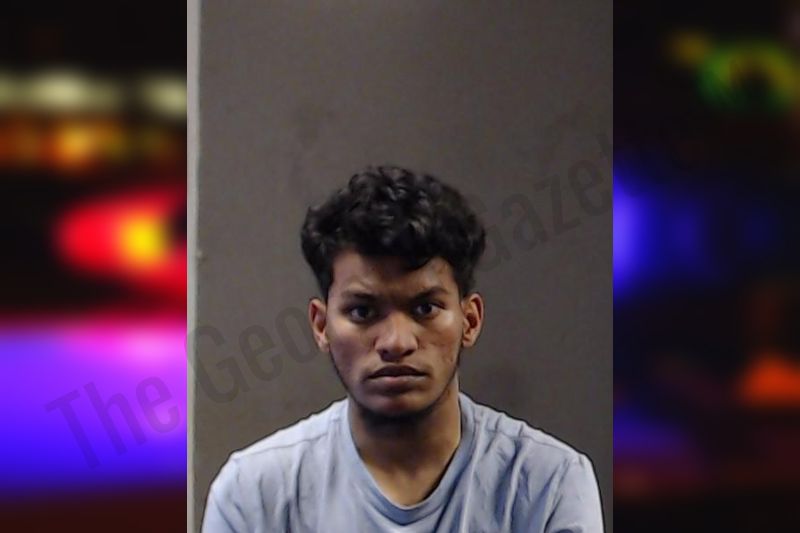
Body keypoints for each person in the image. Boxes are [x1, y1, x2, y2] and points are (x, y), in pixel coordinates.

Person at [201, 165, 603, 532]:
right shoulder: (254, 495)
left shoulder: (548, 484)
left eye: (425, 308)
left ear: (470, 320)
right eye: (363, 311)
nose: (396, 342)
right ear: (321, 326)